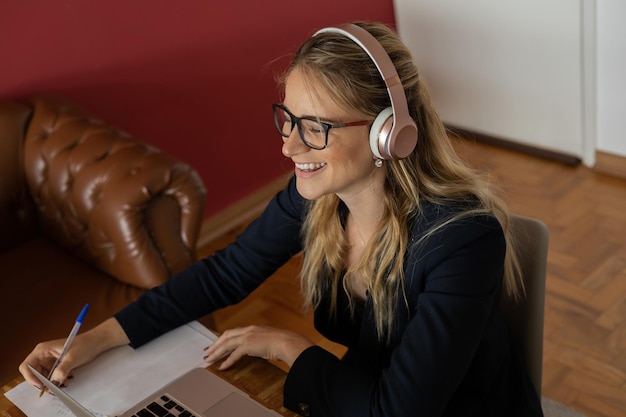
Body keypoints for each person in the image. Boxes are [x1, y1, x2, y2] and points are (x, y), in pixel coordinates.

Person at [19, 21, 543, 417]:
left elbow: (397, 411)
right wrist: (96, 340)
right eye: (288, 119)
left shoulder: (463, 239)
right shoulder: (317, 200)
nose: (289, 145)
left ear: (390, 133)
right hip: (361, 394)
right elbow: (224, 274)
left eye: (314, 127)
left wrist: (288, 346)